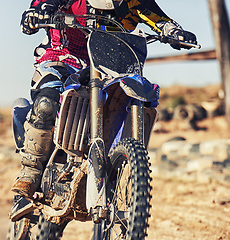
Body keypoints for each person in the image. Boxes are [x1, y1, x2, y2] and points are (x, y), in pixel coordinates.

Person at [11, 0, 198, 198]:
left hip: (109, 67)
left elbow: (160, 19)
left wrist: (175, 32)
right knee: (46, 103)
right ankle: (31, 171)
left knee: (139, 94)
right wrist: (36, 13)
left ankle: (124, 167)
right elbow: (43, 4)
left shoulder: (132, 2)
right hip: (63, 59)